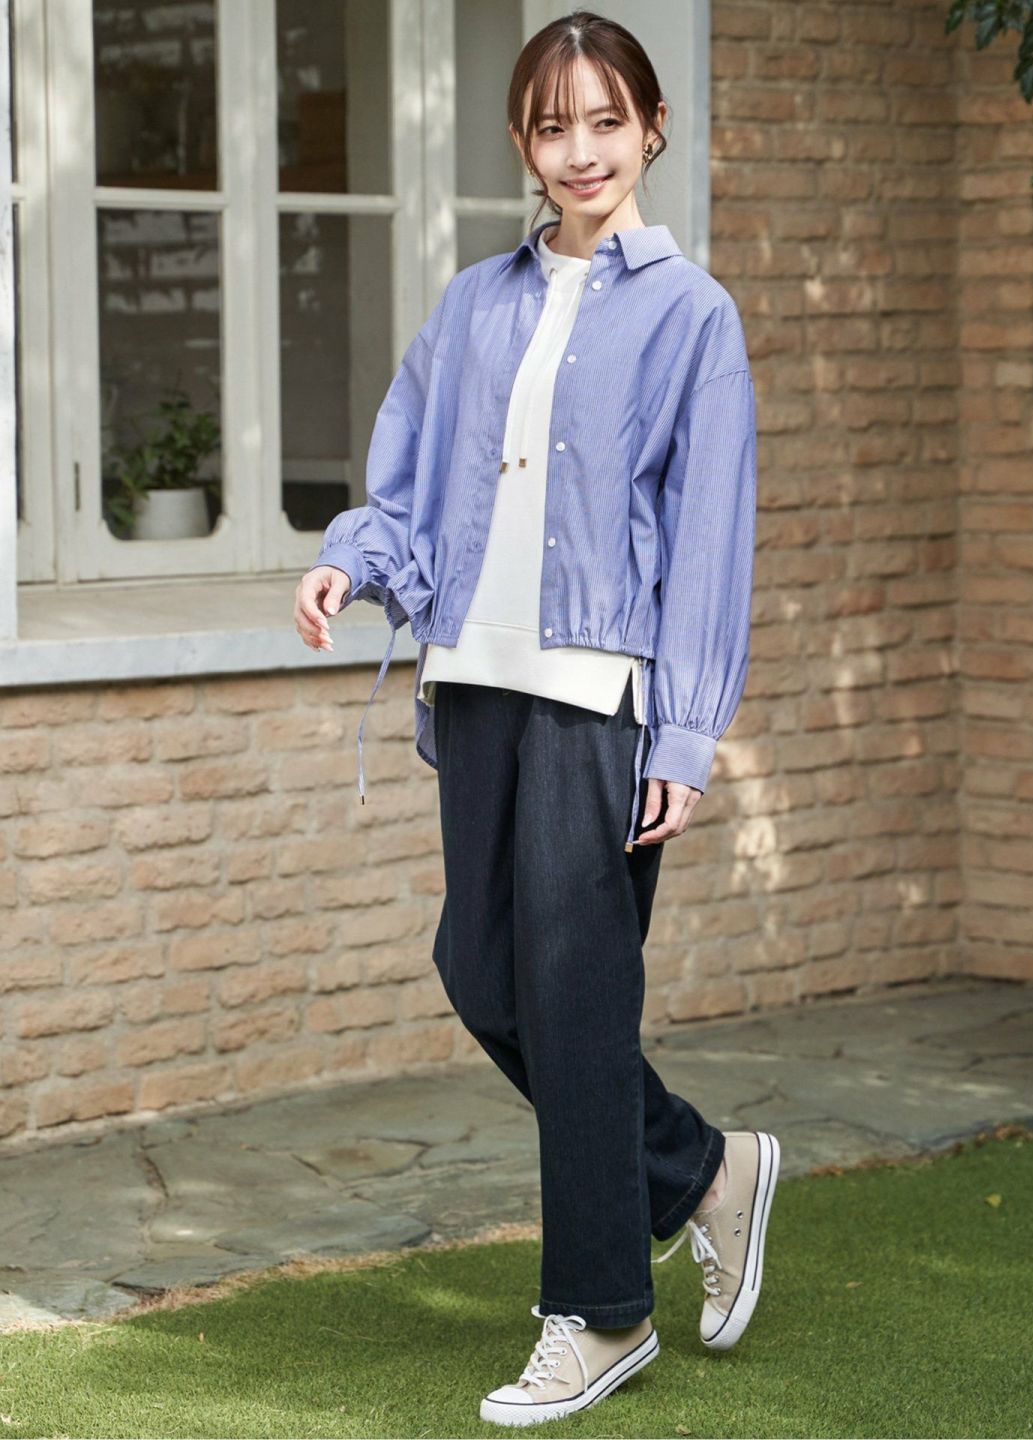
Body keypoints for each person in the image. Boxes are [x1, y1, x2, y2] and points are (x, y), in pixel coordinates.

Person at [292, 10, 779, 1428]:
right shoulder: (474, 305)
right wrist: (351, 562)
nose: (581, 151)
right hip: (474, 681)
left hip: (597, 697)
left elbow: (711, 542)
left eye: (606, 121)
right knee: (482, 969)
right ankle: (706, 1171)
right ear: (523, 142)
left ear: (652, 130)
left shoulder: (693, 318)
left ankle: (601, 1313)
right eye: (555, 126)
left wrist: (682, 736)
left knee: (573, 996)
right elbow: (407, 478)